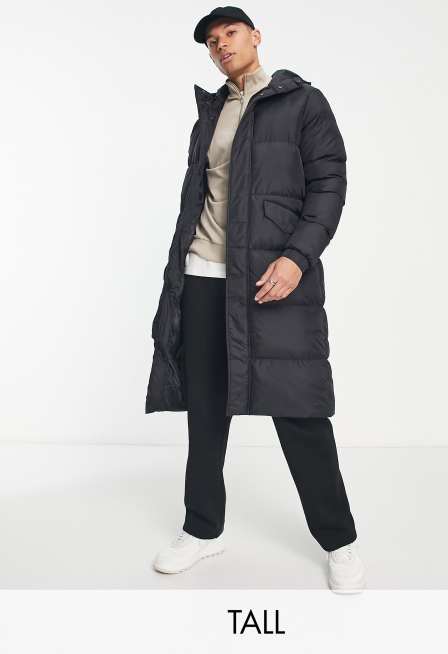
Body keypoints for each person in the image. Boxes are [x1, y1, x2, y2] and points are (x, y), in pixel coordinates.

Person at [148, 6, 366, 593]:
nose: (221, 46)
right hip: (203, 275)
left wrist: (297, 257)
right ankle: (201, 529)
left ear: (255, 36)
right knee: (205, 409)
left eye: (231, 34)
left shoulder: (302, 103)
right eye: (211, 42)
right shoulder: (210, 113)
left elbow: (329, 184)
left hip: (271, 280)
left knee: (299, 410)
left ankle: (339, 541)